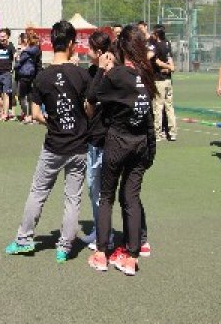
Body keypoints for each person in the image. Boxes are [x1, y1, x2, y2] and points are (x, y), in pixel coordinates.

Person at [5, 21, 92, 263]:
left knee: (38, 192)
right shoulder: (82, 75)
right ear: (72, 44)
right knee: (72, 198)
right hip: (79, 146)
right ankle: (64, 247)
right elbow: (89, 109)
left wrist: (52, 122)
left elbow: (35, 114)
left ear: (51, 44)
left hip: (54, 145)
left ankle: (24, 239)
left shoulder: (42, 77)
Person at [87, 25, 156, 276]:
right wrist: (151, 150)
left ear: (122, 47)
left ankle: (101, 253)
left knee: (107, 196)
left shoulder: (117, 75)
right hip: (140, 143)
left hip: (117, 142)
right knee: (131, 197)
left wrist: (102, 70)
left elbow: (92, 96)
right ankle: (131, 256)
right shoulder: (146, 75)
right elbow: (149, 118)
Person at [81, 30, 112, 248]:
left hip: (108, 138)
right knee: (94, 187)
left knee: (104, 189)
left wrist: (103, 70)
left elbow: (92, 100)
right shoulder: (91, 71)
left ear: (99, 52)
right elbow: (89, 104)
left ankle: (106, 236)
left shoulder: (113, 73)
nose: (86, 51)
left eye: (90, 48)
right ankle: (100, 229)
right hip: (93, 136)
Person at [151, 25, 177, 141]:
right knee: (169, 107)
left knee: (158, 107)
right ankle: (172, 133)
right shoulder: (167, 43)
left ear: (157, 34)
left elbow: (156, 61)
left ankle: (157, 134)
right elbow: (170, 58)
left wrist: (168, 67)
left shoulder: (156, 45)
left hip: (159, 80)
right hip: (168, 80)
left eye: (153, 33)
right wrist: (171, 67)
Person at [14, 30, 42, 124]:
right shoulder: (33, 49)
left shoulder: (31, 49)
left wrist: (17, 60)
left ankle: (28, 115)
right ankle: (30, 115)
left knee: (22, 96)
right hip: (31, 75)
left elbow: (20, 62)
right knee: (29, 96)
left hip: (26, 75)